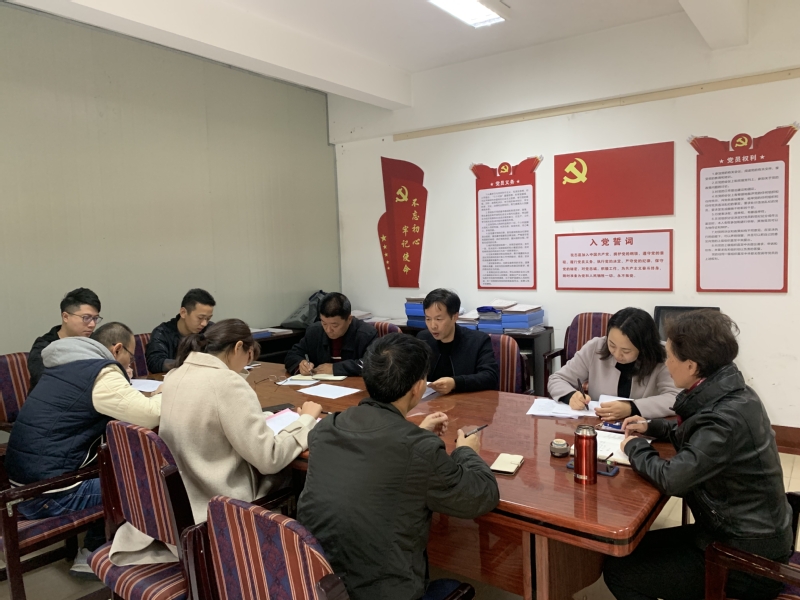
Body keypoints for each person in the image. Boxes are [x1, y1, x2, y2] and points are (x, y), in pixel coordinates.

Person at [604, 310, 792, 600]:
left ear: (691, 365)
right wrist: (651, 426)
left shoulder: (722, 420)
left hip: (744, 558)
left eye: (669, 356)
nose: (666, 363)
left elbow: (672, 479)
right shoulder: (733, 394)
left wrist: (634, 446)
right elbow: (697, 433)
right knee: (626, 550)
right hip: (744, 532)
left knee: (620, 571)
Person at [297, 333, 499, 600]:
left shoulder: (327, 427)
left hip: (318, 583)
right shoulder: (420, 449)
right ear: (418, 387)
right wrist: (466, 451)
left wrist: (415, 433)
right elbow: (482, 495)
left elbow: (376, 455)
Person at [5, 322, 161, 577]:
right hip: (47, 496)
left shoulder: (65, 365)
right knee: (145, 480)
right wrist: (169, 391)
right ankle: (93, 553)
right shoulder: (101, 373)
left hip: (23, 486)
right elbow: (150, 415)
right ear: (117, 349)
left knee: (116, 463)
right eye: (131, 357)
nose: (131, 363)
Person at [159, 319, 321, 524]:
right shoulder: (227, 383)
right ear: (238, 347)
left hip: (184, 500)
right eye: (249, 356)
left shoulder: (175, 374)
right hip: (225, 504)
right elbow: (270, 459)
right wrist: (306, 421)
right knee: (298, 474)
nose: (247, 364)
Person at [548, 307, 679, 421]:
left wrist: (632, 408)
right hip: (598, 426)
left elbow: (676, 398)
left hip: (644, 428)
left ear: (644, 347)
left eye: (626, 351)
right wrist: (570, 396)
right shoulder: (596, 347)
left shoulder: (665, 356)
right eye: (612, 345)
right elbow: (557, 379)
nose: (616, 354)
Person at [416, 288, 498, 395]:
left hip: (466, 401)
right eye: (428, 319)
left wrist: (455, 383)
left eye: (439, 319)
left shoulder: (478, 340)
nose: (433, 326)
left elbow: (490, 376)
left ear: (455, 317)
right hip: (431, 401)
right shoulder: (423, 338)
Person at [284, 292, 377, 376]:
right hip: (319, 386)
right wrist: (301, 363)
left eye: (334, 325)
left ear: (349, 319)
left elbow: (373, 364)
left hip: (354, 386)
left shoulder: (366, 334)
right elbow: (292, 355)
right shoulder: (315, 331)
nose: (328, 330)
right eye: (324, 323)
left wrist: (335, 368)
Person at [28, 287, 102, 390]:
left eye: (95, 318)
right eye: (86, 318)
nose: (92, 324)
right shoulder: (44, 347)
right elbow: (47, 382)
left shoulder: (96, 341)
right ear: (65, 317)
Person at [145, 288, 215, 373]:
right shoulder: (162, 333)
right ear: (183, 312)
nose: (204, 323)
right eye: (200, 318)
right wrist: (190, 364)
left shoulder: (211, 330)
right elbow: (155, 362)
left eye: (208, 318)